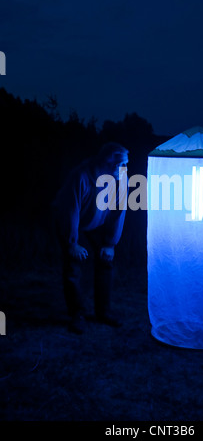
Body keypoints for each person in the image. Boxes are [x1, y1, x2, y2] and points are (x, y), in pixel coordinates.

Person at [52, 142, 129, 334]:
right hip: (72, 222)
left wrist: (110, 243)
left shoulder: (120, 178)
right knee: (73, 265)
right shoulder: (81, 176)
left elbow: (120, 211)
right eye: (119, 164)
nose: (123, 169)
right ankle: (77, 313)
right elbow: (70, 211)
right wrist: (72, 243)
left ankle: (103, 312)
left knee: (105, 261)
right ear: (106, 162)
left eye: (125, 164)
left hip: (97, 222)